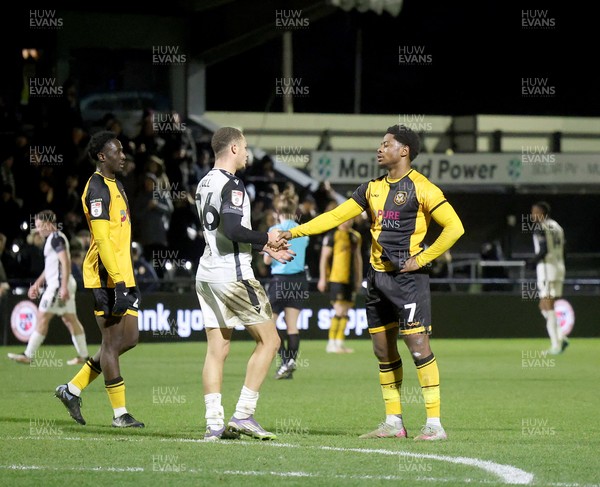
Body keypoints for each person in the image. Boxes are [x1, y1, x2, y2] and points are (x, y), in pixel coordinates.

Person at [277, 124, 464, 441]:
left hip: (408, 279)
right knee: (382, 349)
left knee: (418, 347)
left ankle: (434, 424)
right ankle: (394, 422)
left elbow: (454, 228)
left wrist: (423, 258)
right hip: (376, 280)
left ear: (403, 150)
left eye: (386, 144)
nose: (380, 148)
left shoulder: (423, 188)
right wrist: (292, 232)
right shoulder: (371, 189)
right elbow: (335, 216)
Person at [195, 126, 294, 441]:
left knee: (218, 348)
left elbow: (224, 233)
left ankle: (214, 424)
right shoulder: (234, 185)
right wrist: (267, 237)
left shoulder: (204, 182)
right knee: (271, 342)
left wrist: (264, 248)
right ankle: (244, 414)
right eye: (246, 147)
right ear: (234, 148)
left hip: (207, 273)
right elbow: (236, 230)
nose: (248, 153)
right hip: (234, 276)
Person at [54, 130, 144, 428]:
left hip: (122, 275)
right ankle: (120, 414)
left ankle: (72, 389)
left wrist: (127, 277)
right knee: (110, 342)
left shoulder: (115, 184)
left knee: (128, 339)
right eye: (117, 151)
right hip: (105, 277)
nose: (123, 155)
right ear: (102, 156)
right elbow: (104, 241)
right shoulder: (97, 189)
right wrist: (117, 279)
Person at [7, 211, 89, 365]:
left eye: (39, 225)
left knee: (43, 317)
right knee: (70, 319)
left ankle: (28, 354)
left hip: (58, 285)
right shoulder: (53, 239)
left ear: (48, 224)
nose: (38, 229)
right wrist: (37, 284)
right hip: (62, 283)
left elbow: (65, 262)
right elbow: (51, 267)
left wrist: (63, 287)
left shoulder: (56, 238)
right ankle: (83, 356)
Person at [264, 189, 309, 380]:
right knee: (293, 326)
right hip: (299, 280)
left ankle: (284, 362)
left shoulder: (274, 231)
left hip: (280, 281)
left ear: (277, 210)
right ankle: (289, 364)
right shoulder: (302, 231)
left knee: (270, 325)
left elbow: (267, 261)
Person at [528, 201, 567, 355]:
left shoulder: (541, 227)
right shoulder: (557, 227)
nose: (532, 215)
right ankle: (560, 337)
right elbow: (565, 250)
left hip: (547, 270)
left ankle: (556, 344)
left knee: (548, 306)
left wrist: (531, 262)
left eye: (535, 212)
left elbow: (543, 250)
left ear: (543, 213)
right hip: (559, 268)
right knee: (544, 306)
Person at [318, 219, 362, 354]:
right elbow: (324, 257)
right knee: (339, 310)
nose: (347, 222)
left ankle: (339, 343)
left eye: (350, 219)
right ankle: (331, 343)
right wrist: (323, 278)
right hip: (336, 278)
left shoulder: (355, 236)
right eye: (345, 219)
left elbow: (357, 258)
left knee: (346, 311)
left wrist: (359, 278)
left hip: (350, 279)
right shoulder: (332, 236)